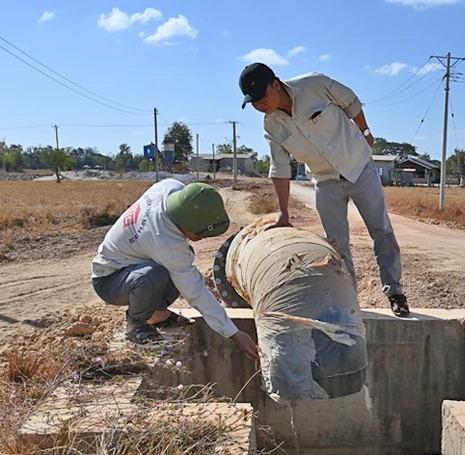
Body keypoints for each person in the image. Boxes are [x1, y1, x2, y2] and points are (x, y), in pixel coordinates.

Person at [238, 62, 409, 317]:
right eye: (253, 101)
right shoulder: (271, 125)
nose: (259, 104)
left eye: (261, 96)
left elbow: (351, 102)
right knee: (336, 244)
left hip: (359, 167)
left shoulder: (314, 85)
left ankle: (395, 292)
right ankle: (350, 302)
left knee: (381, 231)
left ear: (275, 84)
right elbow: (280, 168)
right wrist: (283, 212)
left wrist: (365, 130)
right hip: (325, 180)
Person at [91, 180, 260, 363]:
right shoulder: (166, 243)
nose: (203, 238)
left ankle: (157, 313)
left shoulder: (170, 187)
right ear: (188, 223)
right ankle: (135, 323)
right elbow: (195, 292)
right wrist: (234, 333)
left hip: (133, 264)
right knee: (156, 274)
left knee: (182, 260)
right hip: (110, 279)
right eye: (201, 233)